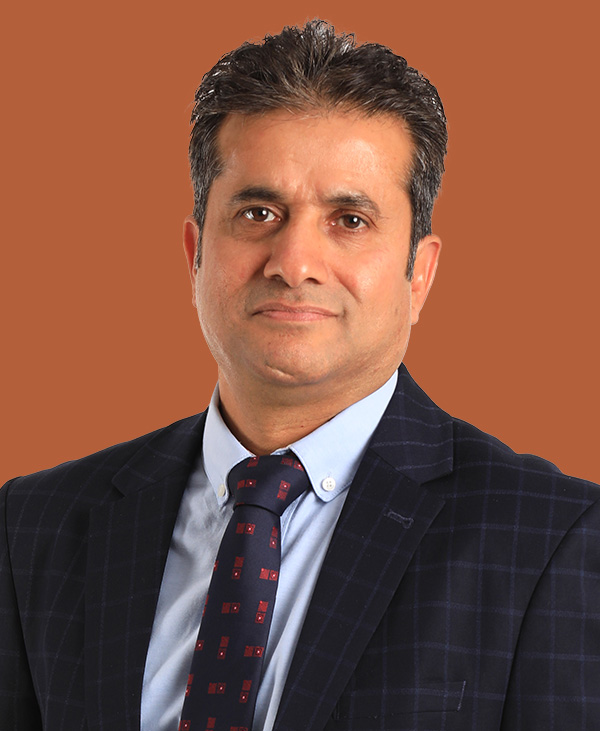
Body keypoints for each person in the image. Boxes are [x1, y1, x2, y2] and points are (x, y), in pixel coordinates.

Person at [1, 19, 598, 731]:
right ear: (195, 254)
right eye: (258, 212)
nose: (294, 262)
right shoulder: (34, 524)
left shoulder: (551, 539)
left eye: (349, 220)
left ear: (420, 272)